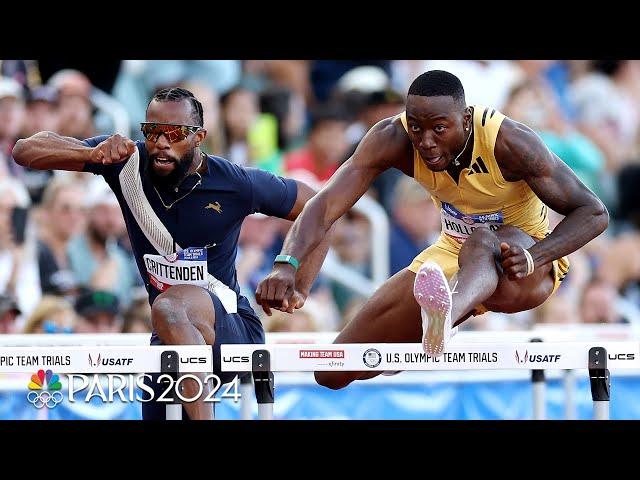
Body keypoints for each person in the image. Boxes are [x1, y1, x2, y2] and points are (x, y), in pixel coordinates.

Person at [255, 70, 609, 390]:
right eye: (416, 126)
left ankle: (442, 319)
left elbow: (593, 212)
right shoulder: (392, 137)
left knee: (483, 241)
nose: (425, 141)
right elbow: (324, 204)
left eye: (439, 128)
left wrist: (536, 256)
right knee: (334, 370)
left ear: (466, 119)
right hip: (452, 259)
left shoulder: (510, 142)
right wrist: (288, 263)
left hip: (521, 267)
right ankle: (433, 326)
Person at [12, 87, 327, 419]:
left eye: (175, 134)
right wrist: (90, 155)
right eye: (152, 132)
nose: (161, 142)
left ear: (199, 137)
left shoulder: (234, 182)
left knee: (171, 304)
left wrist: (297, 278)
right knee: (168, 315)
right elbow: (25, 150)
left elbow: (322, 207)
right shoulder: (125, 163)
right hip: (170, 337)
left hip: (231, 329)